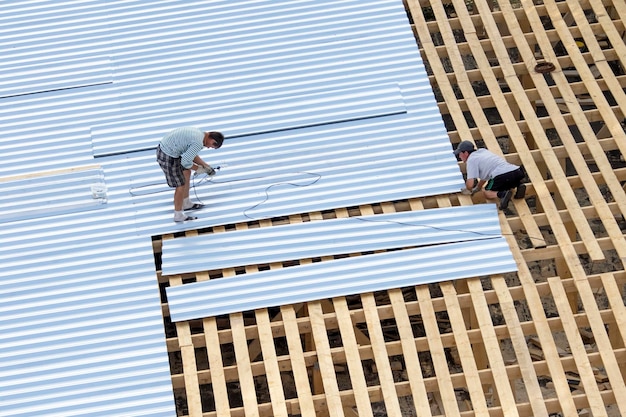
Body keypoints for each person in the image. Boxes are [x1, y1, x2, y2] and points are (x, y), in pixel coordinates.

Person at [156, 127, 224, 222]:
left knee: (186, 172)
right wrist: (199, 169)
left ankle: (186, 203)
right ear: (212, 139)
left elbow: (191, 155)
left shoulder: (199, 134)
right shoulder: (198, 143)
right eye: (211, 145)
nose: (208, 147)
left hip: (168, 149)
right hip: (167, 155)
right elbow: (185, 162)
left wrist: (206, 166)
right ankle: (178, 215)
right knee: (180, 185)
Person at [454, 140, 526, 210]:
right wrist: (478, 188)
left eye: (460, 154)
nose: (459, 157)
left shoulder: (471, 160)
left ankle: (503, 194)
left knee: (487, 192)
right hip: (516, 171)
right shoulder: (482, 151)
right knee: (506, 183)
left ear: (466, 153)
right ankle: (519, 185)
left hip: (500, 175)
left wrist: (468, 190)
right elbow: (485, 176)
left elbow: (470, 184)